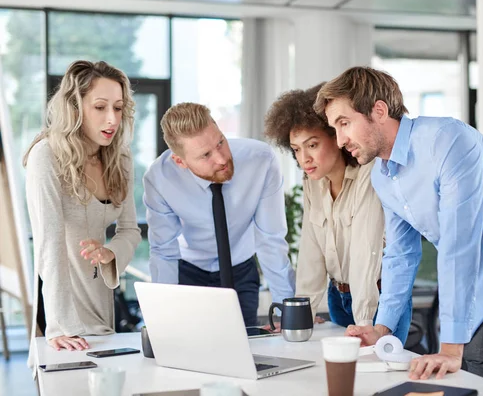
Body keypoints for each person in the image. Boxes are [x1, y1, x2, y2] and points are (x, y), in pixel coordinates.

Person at [314, 66, 483, 384]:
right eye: (334, 128)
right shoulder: (382, 175)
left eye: (344, 123)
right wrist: (381, 329)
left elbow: (458, 244)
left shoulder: (447, 140)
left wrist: (450, 348)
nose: (340, 140)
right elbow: (400, 255)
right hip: (466, 306)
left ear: (378, 111)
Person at [264, 84, 405, 332]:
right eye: (296, 149)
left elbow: (366, 252)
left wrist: (364, 322)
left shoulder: (369, 175)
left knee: (375, 369)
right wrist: (299, 316)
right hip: (338, 297)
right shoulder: (313, 184)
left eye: (313, 145)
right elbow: (311, 252)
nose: (303, 158)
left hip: (377, 299)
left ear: (337, 137)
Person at [24, 60, 142, 355]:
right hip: (59, 308)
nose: (112, 119)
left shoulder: (121, 159)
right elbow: (49, 245)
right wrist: (61, 326)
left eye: (117, 107)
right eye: (100, 107)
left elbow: (129, 230)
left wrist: (109, 253)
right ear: (75, 108)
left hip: (100, 299)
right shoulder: (46, 156)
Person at [143, 102, 295, 327]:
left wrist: (287, 311)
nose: (222, 159)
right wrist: (162, 320)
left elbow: (270, 239)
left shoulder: (260, 160)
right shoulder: (160, 179)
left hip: (241, 268)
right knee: (186, 349)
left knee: (245, 349)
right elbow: (164, 252)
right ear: (180, 161)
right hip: (188, 272)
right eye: (205, 155)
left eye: (220, 142)